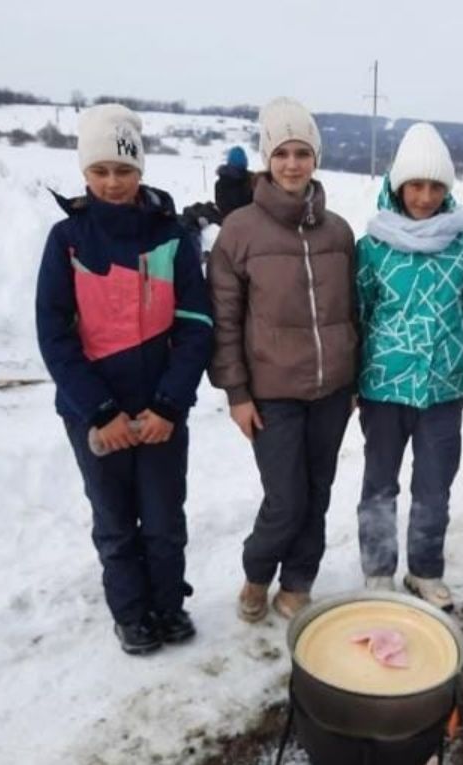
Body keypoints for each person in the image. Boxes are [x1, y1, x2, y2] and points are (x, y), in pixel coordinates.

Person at [36, 104, 214, 655]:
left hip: (160, 410)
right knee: (115, 521)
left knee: (163, 519)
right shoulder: (67, 239)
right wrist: (100, 412)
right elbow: (54, 334)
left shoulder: (173, 236)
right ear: (85, 174)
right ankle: (131, 614)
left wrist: (169, 406)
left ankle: (167, 605)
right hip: (96, 414)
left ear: (141, 171)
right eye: (100, 171)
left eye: (123, 169)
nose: (113, 182)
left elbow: (195, 323)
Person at [208, 97, 357, 623]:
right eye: (281, 153)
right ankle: (257, 572)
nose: (292, 164)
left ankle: (298, 583)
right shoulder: (239, 231)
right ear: (266, 160)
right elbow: (224, 321)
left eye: (302, 153)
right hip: (272, 392)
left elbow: (352, 313)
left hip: (333, 390)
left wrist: (353, 378)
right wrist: (237, 394)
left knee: (317, 493)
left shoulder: (338, 232)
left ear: (315, 158)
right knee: (285, 497)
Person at [354, 122, 463, 610]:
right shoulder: (372, 247)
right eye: (415, 185)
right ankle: (379, 570)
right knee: (379, 484)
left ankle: (425, 571)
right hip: (384, 387)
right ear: (397, 186)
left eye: (435, 187)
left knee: (434, 487)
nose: (425, 197)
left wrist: (437, 349)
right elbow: (362, 309)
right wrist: (390, 355)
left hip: (443, 389)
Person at [214, 146, 254, 221]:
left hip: (231, 223)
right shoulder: (252, 179)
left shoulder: (220, 183)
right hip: (245, 222)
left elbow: (222, 208)